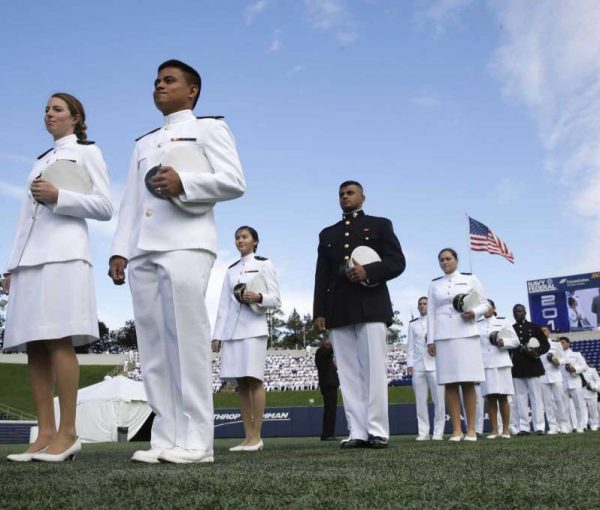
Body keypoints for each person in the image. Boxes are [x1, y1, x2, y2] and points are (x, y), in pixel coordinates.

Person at [108, 59, 245, 464]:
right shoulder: (143, 143)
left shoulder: (209, 128)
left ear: (192, 91)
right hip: (144, 249)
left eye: (169, 81)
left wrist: (185, 182)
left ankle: (198, 442)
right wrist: (120, 249)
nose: (159, 86)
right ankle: (165, 437)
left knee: (187, 342)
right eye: (156, 81)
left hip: (187, 242)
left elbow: (234, 181)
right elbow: (131, 201)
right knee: (153, 348)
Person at [3, 93, 112, 462]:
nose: (49, 113)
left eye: (57, 109)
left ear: (76, 117)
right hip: (30, 258)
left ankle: (68, 432)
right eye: (46, 109)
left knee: (58, 339)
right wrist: (12, 265)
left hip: (65, 254)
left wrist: (59, 195)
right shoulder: (39, 162)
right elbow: (25, 220)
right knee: (34, 345)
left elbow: (104, 206)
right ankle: (45, 432)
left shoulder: (87, 153)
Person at [313, 181, 405, 449]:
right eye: (341, 194)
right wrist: (319, 310)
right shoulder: (327, 234)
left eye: (350, 192)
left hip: (370, 305)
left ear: (363, 197)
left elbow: (397, 261)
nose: (345, 197)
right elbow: (322, 275)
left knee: (374, 370)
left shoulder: (380, 225)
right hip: (338, 308)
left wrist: (370, 271)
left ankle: (377, 430)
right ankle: (357, 431)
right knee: (349, 374)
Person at [212, 226, 281, 452]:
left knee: (254, 379)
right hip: (232, 331)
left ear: (255, 241)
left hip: (253, 328)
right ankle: (247, 436)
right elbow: (223, 304)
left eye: (244, 237)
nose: (240, 241)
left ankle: (258, 436)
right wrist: (217, 335)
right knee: (241, 383)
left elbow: (276, 299)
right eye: (237, 238)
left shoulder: (264, 264)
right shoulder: (231, 270)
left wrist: (258, 296)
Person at [426, 248, 489, 442]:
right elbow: (431, 313)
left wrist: (475, 313)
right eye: (442, 260)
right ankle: (455, 429)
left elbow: (485, 304)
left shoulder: (470, 279)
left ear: (456, 260)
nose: (445, 262)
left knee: (468, 381)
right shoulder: (434, 284)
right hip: (443, 335)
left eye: (448, 259)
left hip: (466, 332)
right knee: (449, 382)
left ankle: (471, 429)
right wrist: (430, 339)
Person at [478, 299, 520, 439]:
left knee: (503, 396)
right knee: (490, 397)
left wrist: (504, 342)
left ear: (494, 308)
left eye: (488, 306)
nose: (486, 309)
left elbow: (516, 341)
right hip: (486, 364)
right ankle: (495, 430)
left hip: (501, 363)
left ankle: (506, 430)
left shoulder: (503, 321)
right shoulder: (477, 324)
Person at [406, 296, 445, 441]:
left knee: (439, 401)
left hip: (435, 365)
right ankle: (423, 432)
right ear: (418, 307)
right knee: (420, 401)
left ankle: (438, 432)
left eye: (425, 304)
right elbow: (410, 347)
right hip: (418, 366)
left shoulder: (436, 323)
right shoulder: (412, 324)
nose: (422, 306)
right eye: (420, 304)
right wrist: (410, 365)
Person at [510, 304, 550, 435]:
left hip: (533, 365)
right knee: (520, 398)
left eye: (520, 311)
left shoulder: (534, 327)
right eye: (515, 312)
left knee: (536, 397)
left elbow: (546, 345)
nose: (517, 313)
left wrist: (536, 352)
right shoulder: (511, 329)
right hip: (517, 366)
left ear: (525, 312)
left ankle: (539, 427)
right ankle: (524, 428)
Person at [539, 326, 569, 434]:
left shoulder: (556, 345)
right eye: (541, 331)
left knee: (560, 401)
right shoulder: (537, 345)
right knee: (548, 403)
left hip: (556, 375)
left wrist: (558, 362)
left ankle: (564, 425)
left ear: (549, 332)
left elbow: (564, 358)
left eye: (545, 330)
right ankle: (553, 426)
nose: (543, 332)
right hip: (543, 376)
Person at [559, 337, 586, 433]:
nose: (561, 344)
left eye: (563, 342)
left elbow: (584, 366)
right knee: (564, 406)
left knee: (578, 405)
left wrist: (575, 369)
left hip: (574, 381)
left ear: (568, 343)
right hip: (562, 382)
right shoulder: (558, 356)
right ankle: (567, 427)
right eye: (560, 343)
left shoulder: (576, 354)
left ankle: (580, 426)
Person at [315, 338, 340, 441]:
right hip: (328, 384)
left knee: (331, 410)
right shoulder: (321, 351)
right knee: (330, 410)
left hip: (330, 384)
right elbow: (332, 351)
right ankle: (327, 434)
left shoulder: (326, 356)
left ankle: (329, 433)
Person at [582, 363, 599, 431]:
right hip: (581, 393)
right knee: (582, 411)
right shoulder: (577, 371)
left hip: (591, 393)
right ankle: (584, 425)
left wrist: (594, 387)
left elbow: (598, 380)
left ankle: (594, 425)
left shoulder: (592, 370)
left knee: (593, 411)